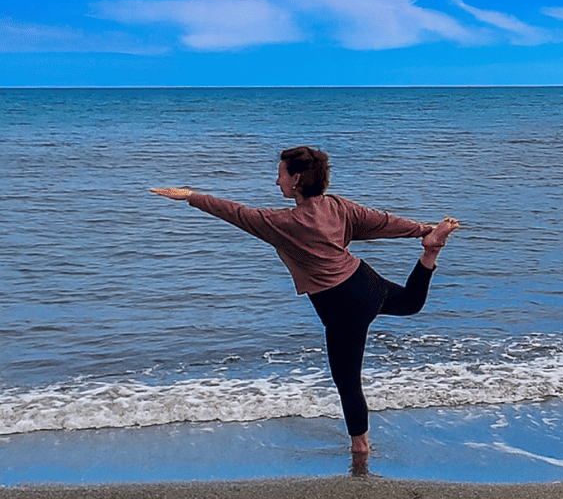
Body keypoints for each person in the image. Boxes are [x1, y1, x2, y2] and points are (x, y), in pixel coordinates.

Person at [150, 146, 459, 467]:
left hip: (341, 306)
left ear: (296, 179)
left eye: (280, 174)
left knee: (348, 382)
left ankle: (361, 450)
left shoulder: (283, 222)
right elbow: (381, 222)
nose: (276, 181)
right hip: (366, 283)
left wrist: (189, 195)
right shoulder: (337, 206)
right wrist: (423, 229)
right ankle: (430, 252)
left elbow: (235, 213)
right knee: (410, 303)